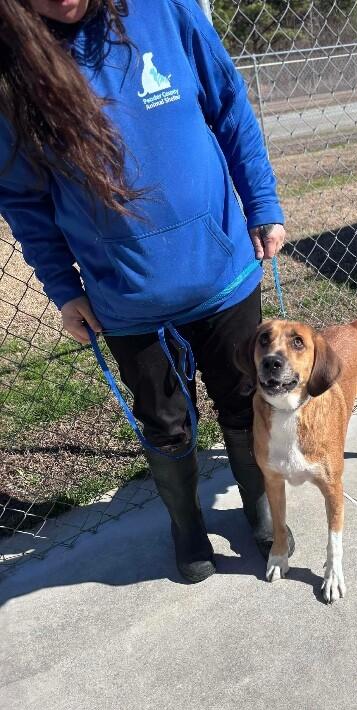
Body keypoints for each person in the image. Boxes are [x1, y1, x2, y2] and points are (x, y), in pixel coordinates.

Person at [0, 0, 294, 582]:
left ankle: (261, 507)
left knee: (244, 399)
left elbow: (230, 106)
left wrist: (260, 202)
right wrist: (64, 288)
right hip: (126, 297)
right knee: (164, 422)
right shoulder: (14, 71)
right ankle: (186, 525)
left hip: (222, 272)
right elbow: (24, 200)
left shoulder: (166, 9)